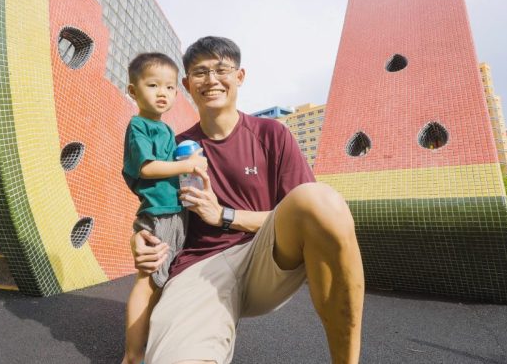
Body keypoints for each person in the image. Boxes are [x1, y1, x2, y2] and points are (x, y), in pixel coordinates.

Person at [130, 37, 365, 364]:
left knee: (322, 201)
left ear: (239, 77)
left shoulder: (272, 134)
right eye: (200, 72)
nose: (211, 80)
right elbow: (154, 207)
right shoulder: (173, 150)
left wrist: (223, 215)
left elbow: (299, 213)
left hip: (264, 257)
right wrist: (139, 238)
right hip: (200, 264)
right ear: (186, 84)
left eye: (221, 69)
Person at [121, 52, 209, 364]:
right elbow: (146, 169)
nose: (163, 93)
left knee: (165, 280)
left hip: (176, 212)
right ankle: (132, 356)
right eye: (153, 85)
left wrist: (188, 158)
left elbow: (174, 166)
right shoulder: (139, 127)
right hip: (158, 214)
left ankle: (156, 345)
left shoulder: (167, 130)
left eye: (170, 88)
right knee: (147, 282)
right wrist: (186, 163)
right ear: (133, 91)